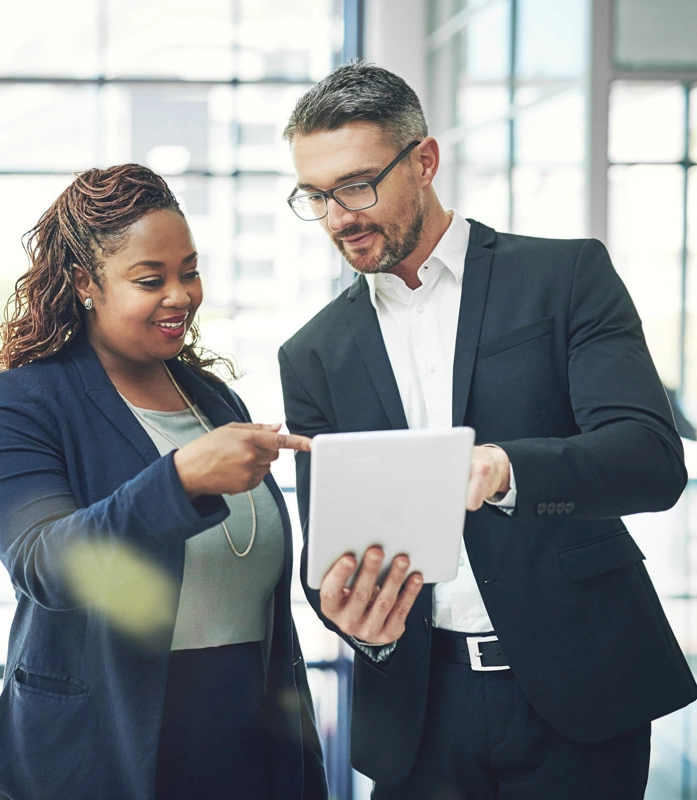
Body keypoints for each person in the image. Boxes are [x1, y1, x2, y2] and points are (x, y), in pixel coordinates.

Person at [277, 62, 697, 800]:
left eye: (356, 185)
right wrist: (355, 622)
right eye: (316, 196)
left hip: (582, 697)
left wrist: (505, 467)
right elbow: (332, 549)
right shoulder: (312, 354)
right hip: (420, 717)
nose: (339, 216)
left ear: (426, 161)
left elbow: (651, 461)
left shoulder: (565, 278)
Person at [0, 164, 327, 800]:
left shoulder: (213, 400)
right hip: (96, 758)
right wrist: (182, 478)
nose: (181, 295)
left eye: (189, 271)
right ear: (84, 282)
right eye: (150, 279)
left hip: (242, 757)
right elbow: (45, 562)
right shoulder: (20, 402)